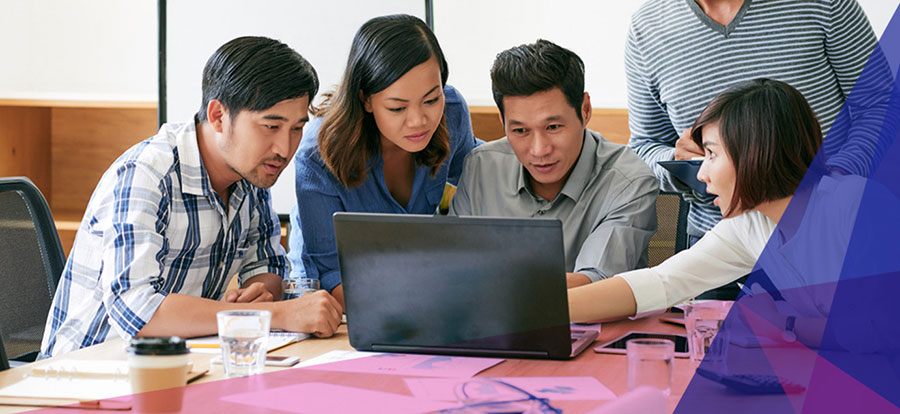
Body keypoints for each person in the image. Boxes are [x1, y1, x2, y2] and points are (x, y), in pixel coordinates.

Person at [41, 37, 343, 358]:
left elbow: (267, 264)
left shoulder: (251, 175)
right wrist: (270, 315)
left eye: (296, 129)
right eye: (271, 126)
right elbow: (137, 310)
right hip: (88, 369)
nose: (284, 148)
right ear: (218, 116)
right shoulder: (147, 174)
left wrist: (261, 293)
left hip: (179, 362)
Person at [567, 78, 900, 346]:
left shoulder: (857, 204)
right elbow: (662, 282)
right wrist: (545, 308)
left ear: (756, 153)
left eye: (711, 155)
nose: (701, 174)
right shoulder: (749, 224)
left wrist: (783, 322)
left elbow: (880, 329)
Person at [625, 0, 893, 246]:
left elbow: (882, 105)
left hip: (828, 227)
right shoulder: (646, 28)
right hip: (719, 240)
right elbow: (644, 146)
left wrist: (839, 174)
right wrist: (678, 163)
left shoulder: (825, 4)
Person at [289, 14, 478, 306]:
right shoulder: (318, 152)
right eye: (397, 108)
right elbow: (330, 274)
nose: (419, 121)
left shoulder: (451, 111)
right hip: (336, 295)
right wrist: (416, 306)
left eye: (431, 100)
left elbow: (478, 178)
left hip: (415, 278)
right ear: (366, 99)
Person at [449, 39, 658, 288]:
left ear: (585, 110)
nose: (539, 150)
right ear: (503, 122)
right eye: (520, 131)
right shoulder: (481, 167)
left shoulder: (629, 182)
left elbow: (596, 285)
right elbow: (451, 265)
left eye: (553, 127)